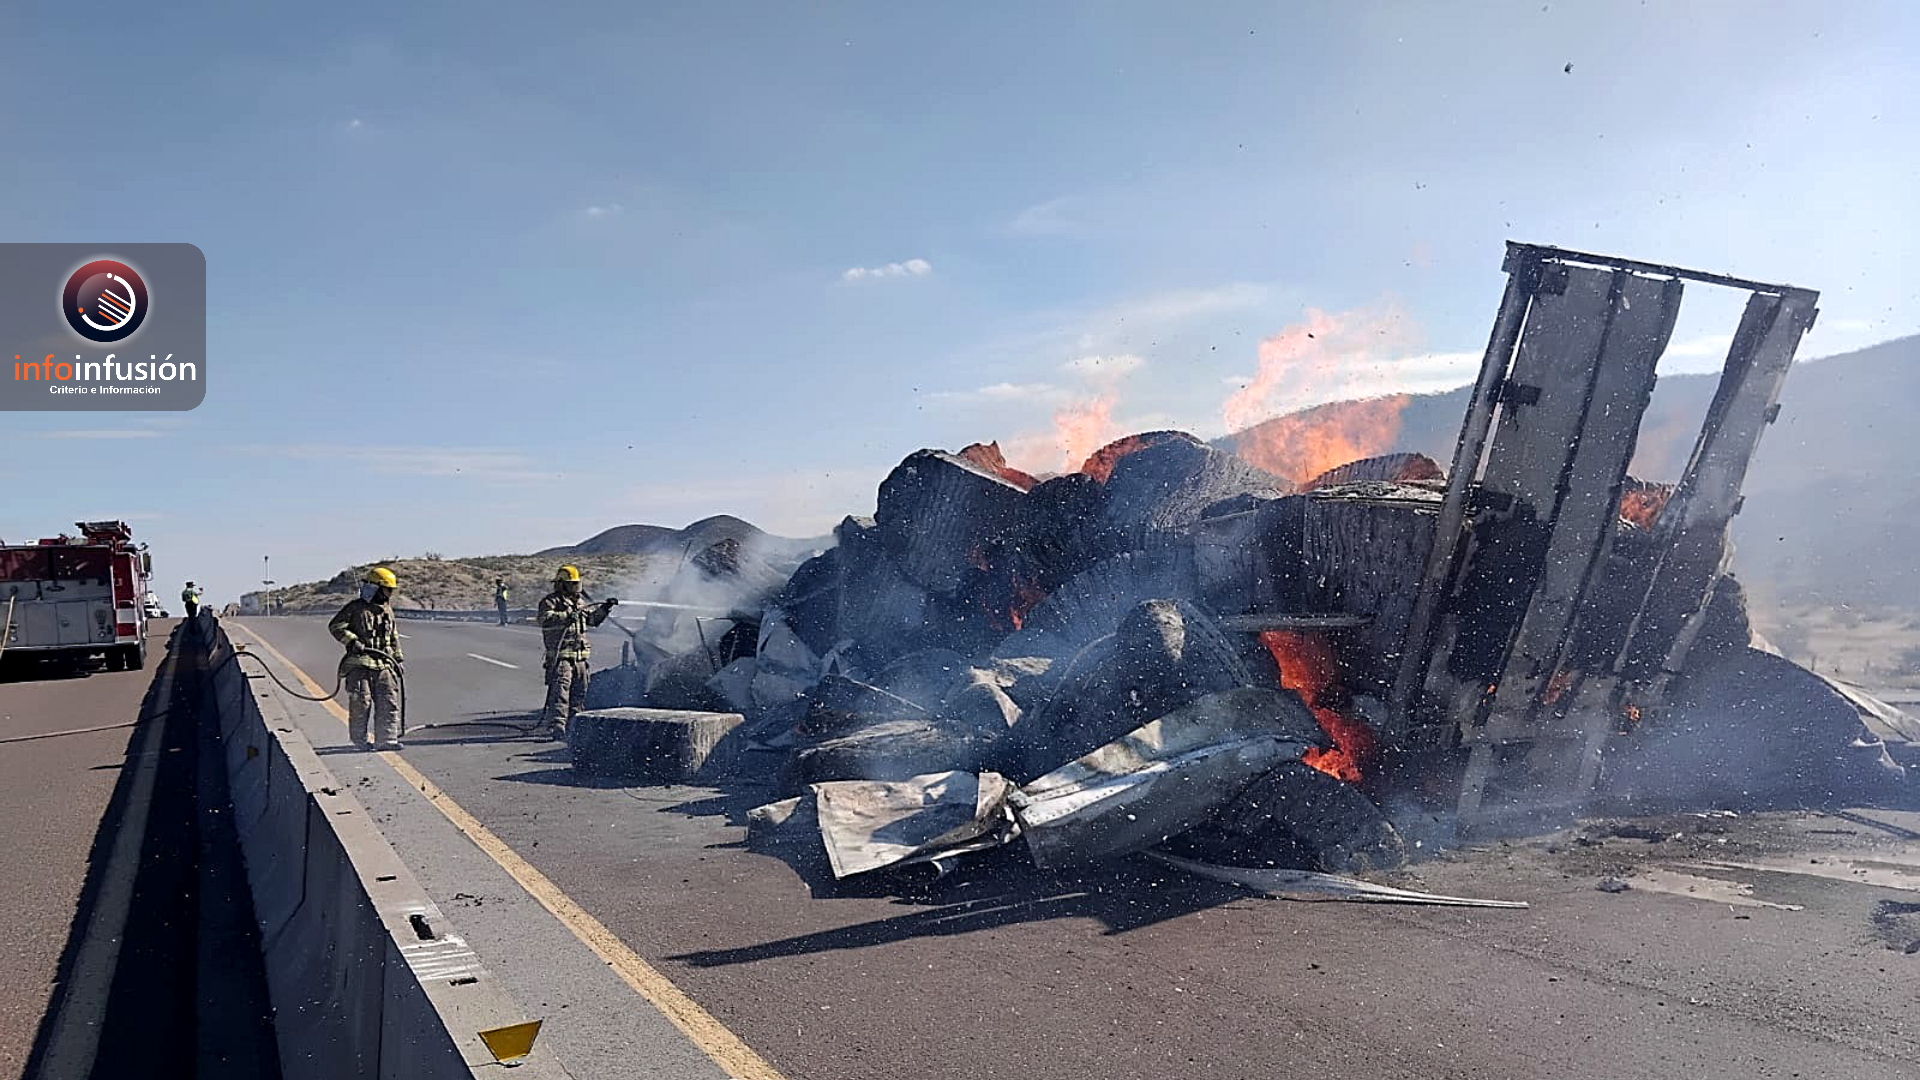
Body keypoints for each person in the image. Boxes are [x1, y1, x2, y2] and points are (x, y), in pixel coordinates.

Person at [329, 566, 406, 750]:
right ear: (375, 588)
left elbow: (393, 637)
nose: (389, 594)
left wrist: (398, 660)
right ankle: (360, 742)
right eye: (387, 589)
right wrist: (352, 641)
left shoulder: (387, 610)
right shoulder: (355, 608)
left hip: (384, 664)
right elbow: (335, 626)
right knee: (361, 703)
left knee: (388, 700)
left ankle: (386, 740)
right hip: (359, 665)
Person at [537, 565, 614, 735]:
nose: (575, 587)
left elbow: (592, 620)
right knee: (560, 693)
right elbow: (543, 619)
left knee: (580, 692)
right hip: (561, 657)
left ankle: (575, 726)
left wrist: (605, 609)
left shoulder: (580, 602)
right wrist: (565, 616)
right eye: (571, 584)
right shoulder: (550, 602)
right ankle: (557, 727)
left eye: (576, 583)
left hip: (580, 658)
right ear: (562, 584)